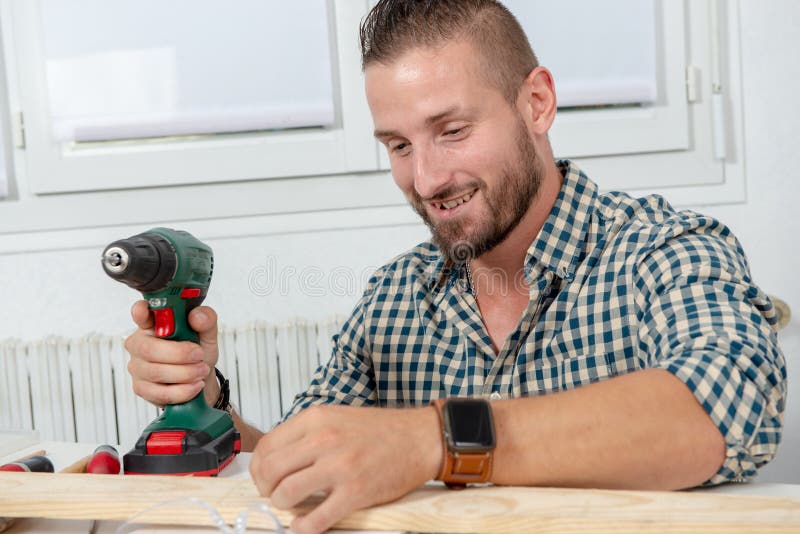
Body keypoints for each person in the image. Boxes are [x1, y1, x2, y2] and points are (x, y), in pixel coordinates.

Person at [123, 1, 786, 533]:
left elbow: (719, 414)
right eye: (399, 145)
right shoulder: (393, 298)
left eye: (452, 130)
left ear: (536, 104)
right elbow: (308, 468)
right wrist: (204, 403)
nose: (427, 177)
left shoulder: (666, 250)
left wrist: (436, 440)